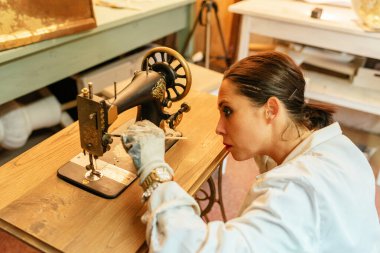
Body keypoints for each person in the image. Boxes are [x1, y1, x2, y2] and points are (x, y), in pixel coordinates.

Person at [122, 51, 380, 252]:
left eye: (228, 111)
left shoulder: (296, 190)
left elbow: (193, 247)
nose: (218, 128)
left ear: (271, 109)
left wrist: (153, 169)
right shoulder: (339, 148)